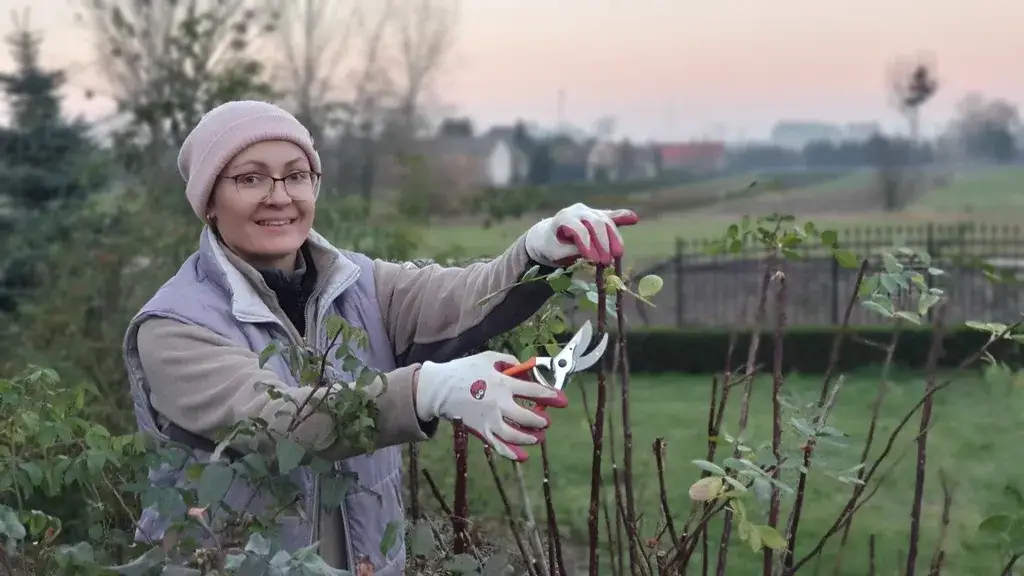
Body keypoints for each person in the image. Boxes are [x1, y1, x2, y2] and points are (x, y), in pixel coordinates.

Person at [122, 100, 638, 573]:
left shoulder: (360, 284)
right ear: (209, 200)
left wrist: (536, 252)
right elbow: (275, 423)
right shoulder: (175, 325)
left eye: (296, 175)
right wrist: (425, 391)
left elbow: (458, 297)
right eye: (250, 179)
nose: (279, 197)